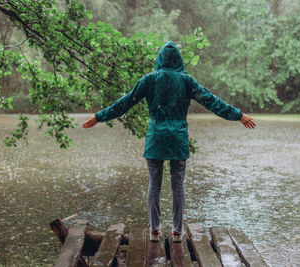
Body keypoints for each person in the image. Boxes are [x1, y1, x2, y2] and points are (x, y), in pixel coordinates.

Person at [82, 41, 255, 242]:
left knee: (154, 186)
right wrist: (239, 115)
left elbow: (126, 102)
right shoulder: (187, 81)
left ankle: (155, 231)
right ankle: (176, 232)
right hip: (178, 139)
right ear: (179, 60)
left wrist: (99, 116)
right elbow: (212, 101)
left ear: (159, 59)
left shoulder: (149, 80)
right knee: (177, 186)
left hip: (155, 138)